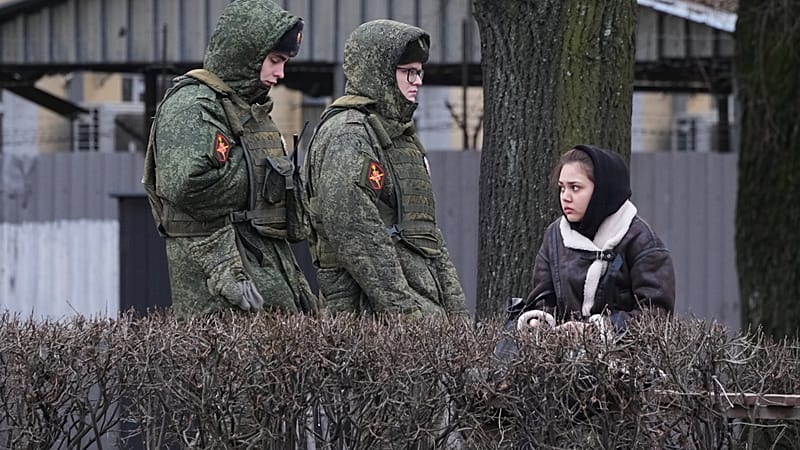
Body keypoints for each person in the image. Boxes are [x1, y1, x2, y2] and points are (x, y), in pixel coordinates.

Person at [142, 0, 317, 317]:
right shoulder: (193, 104)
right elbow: (187, 185)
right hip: (222, 284)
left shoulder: (245, 109)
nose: (280, 73)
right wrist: (267, 177)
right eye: (275, 60)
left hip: (259, 267)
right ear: (247, 55)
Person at [302, 19, 467, 317]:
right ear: (378, 73)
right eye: (408, 73)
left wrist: (457, 317)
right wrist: (406, 314)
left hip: (419, 315)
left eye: (419, 72)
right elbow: (354, 230)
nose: (418, 81)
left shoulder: (398, 133)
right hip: (373, 324)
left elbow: (426, 232)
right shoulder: (349, 133)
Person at [513, 145, 675, 334]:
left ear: (602, 190)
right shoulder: (555, 236)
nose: (565, 197)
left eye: (575, 188)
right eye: (562, 188)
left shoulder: (642, 241)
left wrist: (595, 331)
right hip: (562, 360)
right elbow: (543, 301)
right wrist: (540, 322)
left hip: (625, 360)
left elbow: (656, 317)